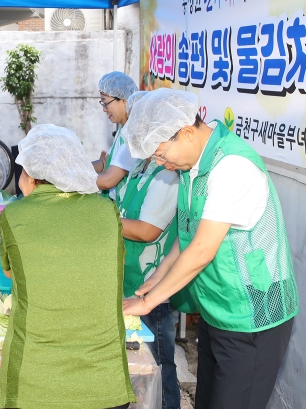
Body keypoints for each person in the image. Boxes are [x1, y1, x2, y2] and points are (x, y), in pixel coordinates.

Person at [121, 89, 299, 409]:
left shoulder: (232, 166)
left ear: (186, 133)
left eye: (161, 154)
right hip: (218, 310)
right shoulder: (193, 165)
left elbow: (202, 250)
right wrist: (159, 277)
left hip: (253, 316)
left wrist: (148, 302)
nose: (161, 164)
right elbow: (189, 232)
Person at [0, 124, 136, 409]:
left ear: (32, 175)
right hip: (104, 382)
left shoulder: (14, 214)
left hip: (35, 383)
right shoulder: (107, 211)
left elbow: (10, 273)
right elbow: (114, 267)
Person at [115, 91, 181, 409]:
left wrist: (104, 221)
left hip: (154, 286)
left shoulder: (169, 172)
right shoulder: (144, 164)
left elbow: (148, 230)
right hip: (132, 282)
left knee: (158, 366)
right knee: (136, 366)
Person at [92, 71, 139, 197]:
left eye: (106, 103)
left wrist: (69, 179)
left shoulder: (135, 135)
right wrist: (77, 167)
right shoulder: (123, 130)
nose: (104, 109)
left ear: (124, 100)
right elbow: (106, 162)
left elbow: (108, 180)